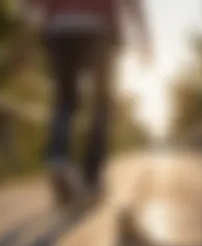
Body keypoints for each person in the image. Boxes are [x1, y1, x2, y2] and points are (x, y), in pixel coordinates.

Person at [17, 0, 152, 205]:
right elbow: (133, 4)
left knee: (64, 99)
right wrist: (145, 41)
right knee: (101, 102)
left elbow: (29, 4)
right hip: (99, 29)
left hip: (59, 30)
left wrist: (24, 38)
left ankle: (58, 159)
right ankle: (92, 176)